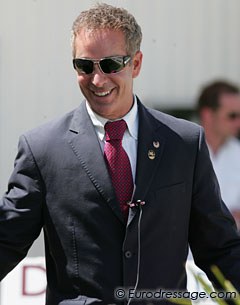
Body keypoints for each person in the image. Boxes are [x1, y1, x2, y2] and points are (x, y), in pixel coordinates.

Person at [0, 3, 240, 305]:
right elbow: (7, 239)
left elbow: (219, 248)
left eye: (111, 64)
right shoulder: (43, 149)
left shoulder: (184, 143)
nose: (98, 80)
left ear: (136, 63)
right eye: (85, 66)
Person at [197, 80, 240, 229]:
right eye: (232, 116)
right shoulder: (180, 149)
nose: (238, 122)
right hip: (187, 250)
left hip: (230, 247)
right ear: (208, 115)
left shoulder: (237, 152)